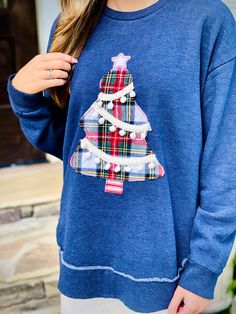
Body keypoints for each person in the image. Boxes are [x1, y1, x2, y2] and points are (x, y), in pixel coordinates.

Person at [6, 0, 236, 313]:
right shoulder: (70, 22)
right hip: (82, 261)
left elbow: (225, 161)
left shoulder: (207, 20)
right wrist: (26, 99)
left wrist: (202, 270)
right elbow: (72, 144)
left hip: (166, 277)